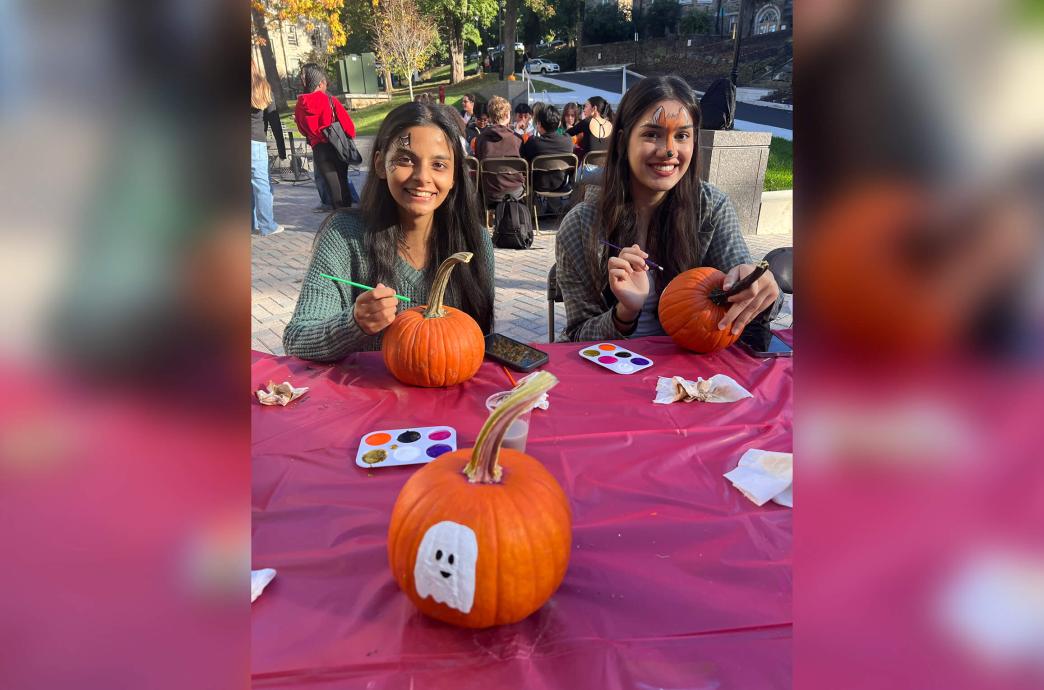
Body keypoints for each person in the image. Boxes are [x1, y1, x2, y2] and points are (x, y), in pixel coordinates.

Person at [555, 76, 780, 343]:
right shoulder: (581, 226)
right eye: (652, 134)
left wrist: (762, 291)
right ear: (624, 141)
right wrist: (624, 312)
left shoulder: (711, 209)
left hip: (695, 377)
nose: (669, 151)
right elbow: (577, 336)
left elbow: (747, 304)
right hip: (613, 375)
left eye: (682, 135)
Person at [283, 102, 496, 361]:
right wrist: (353, 324)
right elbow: (297, 339)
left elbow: (481, 342)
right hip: (365, 397)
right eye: (405, 159)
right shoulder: (343, 236)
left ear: (454, 177)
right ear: (380, 164)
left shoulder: (475, 242)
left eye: (439, 165)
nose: (422, 177)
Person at [294, 63, 357, 209]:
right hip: (336, 146)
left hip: (318, 150)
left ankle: (338, 215)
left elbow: (302, 130)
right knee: (343, 182)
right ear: (320, 83)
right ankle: (347, 217)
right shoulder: (330, 100)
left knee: (332, 187)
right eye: (325, 83)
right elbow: (349, 127)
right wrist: (349, 137)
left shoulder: (299, 105)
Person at [251, 59, 286, 236]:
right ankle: (267, 225)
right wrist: (282, 148)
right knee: (262, 185)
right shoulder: (263, 87)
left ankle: (252, 223)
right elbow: (274, 119)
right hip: (256, 141)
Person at [520, 104, 574, 205]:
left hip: (539, 185)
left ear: (539, 124)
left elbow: (523, 159)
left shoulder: (533, 143)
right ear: (558, 124)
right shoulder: (568, 140)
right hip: (562, 184)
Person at [474, 96, 524, 201]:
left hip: (491, 190)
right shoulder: (517, 139)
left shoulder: (480, 139)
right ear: (507, 115)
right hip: (515, 189)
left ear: (490, 116)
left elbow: (478, 165)